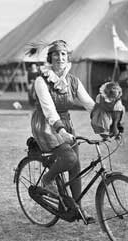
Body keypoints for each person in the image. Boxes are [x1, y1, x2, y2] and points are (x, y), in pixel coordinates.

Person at [26, 40, 95, 223]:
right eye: (56, 54)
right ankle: (48, 180)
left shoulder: (73, 81)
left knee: (76, 167)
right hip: (46, 125)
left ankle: (77, 208)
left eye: (63, 54)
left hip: (65, 124)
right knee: (69, 158)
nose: (60, 57)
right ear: (50, 57)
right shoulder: (42, 81)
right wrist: (61, 130)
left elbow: (89, 104)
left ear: (67, 57)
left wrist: (108, 118)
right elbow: (49, 110)